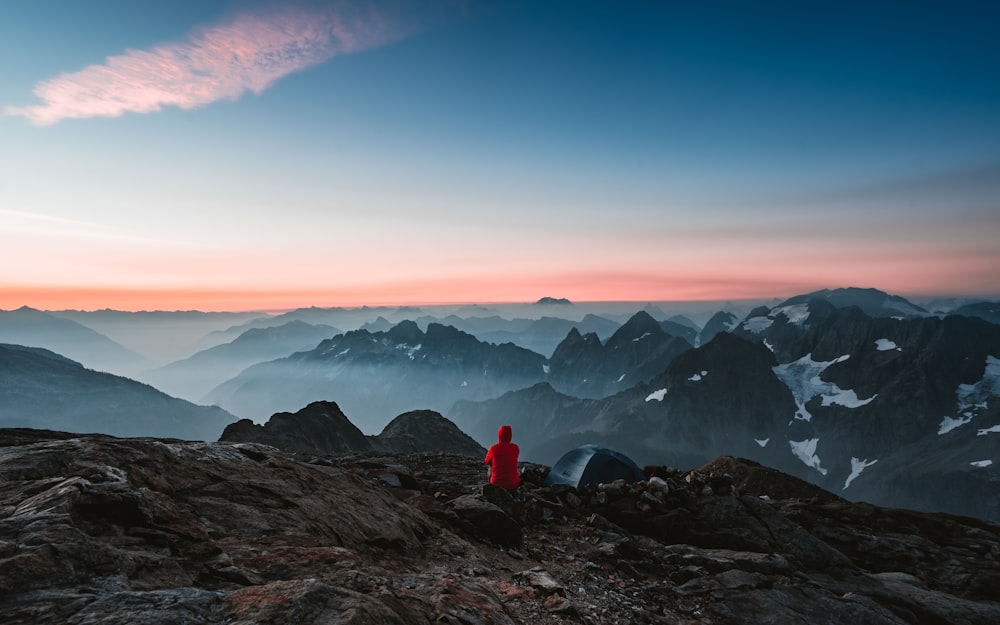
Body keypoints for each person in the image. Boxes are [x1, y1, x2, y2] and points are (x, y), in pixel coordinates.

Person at [484, 424, 520, 490]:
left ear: (499, 435)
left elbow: (486, 461)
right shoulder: (515, 448)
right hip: (513, 484)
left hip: (496, 484)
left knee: (491, 463)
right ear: (510, 436)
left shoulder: (493, 448)